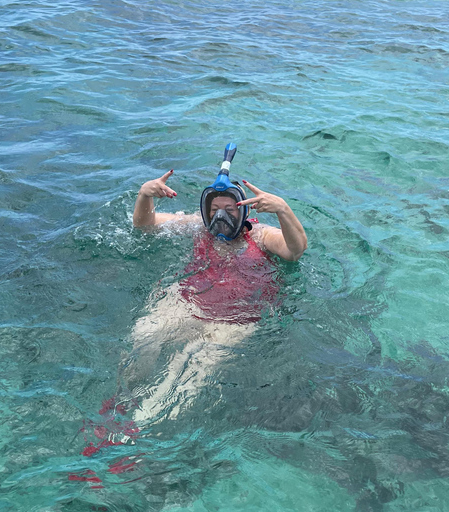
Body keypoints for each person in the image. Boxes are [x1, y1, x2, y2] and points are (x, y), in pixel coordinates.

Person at [116, 144, 307, 428]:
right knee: (144, 337)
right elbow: (146, 225)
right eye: (215, 210)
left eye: (229, 209)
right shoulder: (197, 227)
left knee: (186, 370)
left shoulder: (262, 236)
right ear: (205, 212)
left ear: (243, 210)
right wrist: (145, 194)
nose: (221, 217)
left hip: (234, 319)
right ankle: (120, 401)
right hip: (186, 301)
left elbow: (295, 250)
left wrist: (283, 210)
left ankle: (138, 430)